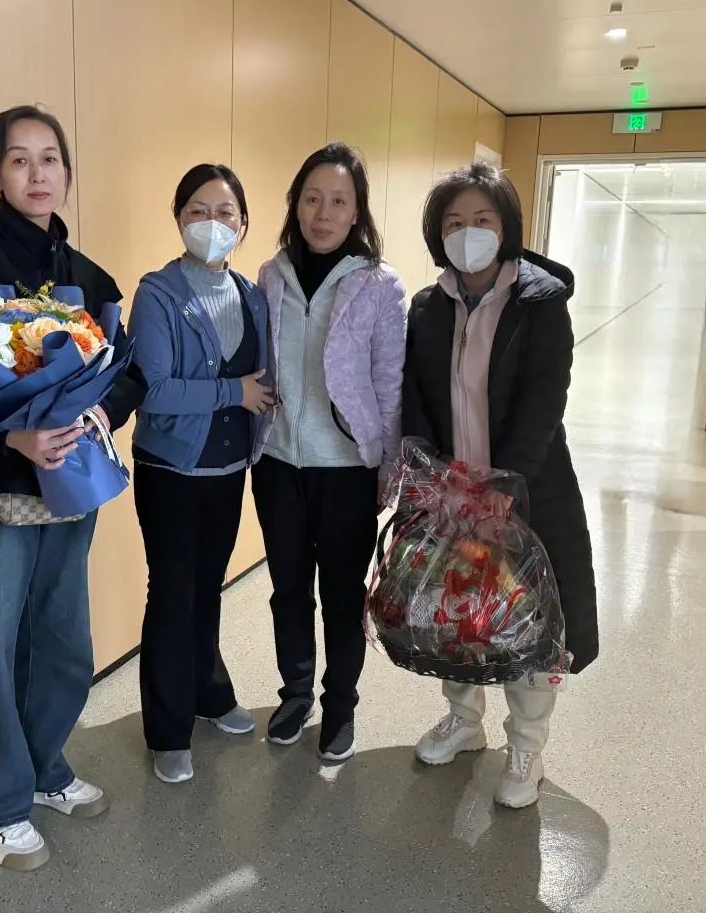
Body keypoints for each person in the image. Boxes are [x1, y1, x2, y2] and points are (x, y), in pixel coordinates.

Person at [0, 105, 143, 870]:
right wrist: (10, 438)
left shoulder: (88, 277)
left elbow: (128, 370)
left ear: (67, 174)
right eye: (19, 160)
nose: (37, 173)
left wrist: (99, 412)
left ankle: (44, 767)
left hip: (68, 488)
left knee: (62, 644)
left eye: (49, 158)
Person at [400, 162, 598, 808]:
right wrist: (429, 475)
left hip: (526, 492)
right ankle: (464, 720)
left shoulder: (541, 304)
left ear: (507, 226)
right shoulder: (428, 306)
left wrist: (503, 488)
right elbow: (416, 395)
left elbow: (545, 402)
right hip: (450, 496)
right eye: (454, 222)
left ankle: (527, 748)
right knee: (453, 614)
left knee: (528, 621)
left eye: (482, 219)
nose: (468, 233)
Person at [252, 142, 407, 762]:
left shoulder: (379, 284)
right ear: (296, 204)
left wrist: (387, 467)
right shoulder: (271, 275)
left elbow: (389, 383)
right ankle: (295, 694)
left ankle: (340, 706)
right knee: (288, 589)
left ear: (356, 211)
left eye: (339, 201)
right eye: (312, 198)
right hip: (278, 462)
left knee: (343, 596)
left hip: (347, 468)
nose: (324, 213)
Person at [128, 165, 273, 784]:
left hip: (228, 467)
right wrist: (233, 392)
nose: (212, 224)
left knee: (208, 585)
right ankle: (167, 729)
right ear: (178, 218)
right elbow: (154, 391)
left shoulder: (251, 294)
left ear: (243, 224)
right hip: (170, 469)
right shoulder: (157, 294)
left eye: (225, 213)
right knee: (172, 592)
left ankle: (208, 693)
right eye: (198, 211)